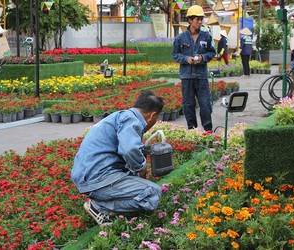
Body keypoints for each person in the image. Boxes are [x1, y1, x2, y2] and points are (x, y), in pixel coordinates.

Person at [71, 90, 164, 227]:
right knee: (152, 194)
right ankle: (99, 207)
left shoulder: (120, 116)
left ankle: (104, 205)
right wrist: (141, 167)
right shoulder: (131, 120)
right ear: (153, 115)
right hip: (98, 177)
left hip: (89, 176)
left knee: (141, 186)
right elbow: (129, 150)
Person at [172, 5, 215, 132]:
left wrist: (202, 57)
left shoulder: (206, 36)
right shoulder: (180, 38)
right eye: (197, 19)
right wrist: (186, 59)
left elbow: (212, 52)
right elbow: (175, 55)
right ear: (190, 20)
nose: (200, 22)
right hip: (186, 77)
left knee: (205, 105)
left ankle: (208, 131)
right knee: (188, 105)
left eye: (201, 19)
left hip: (201, 76)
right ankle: (192, 130)